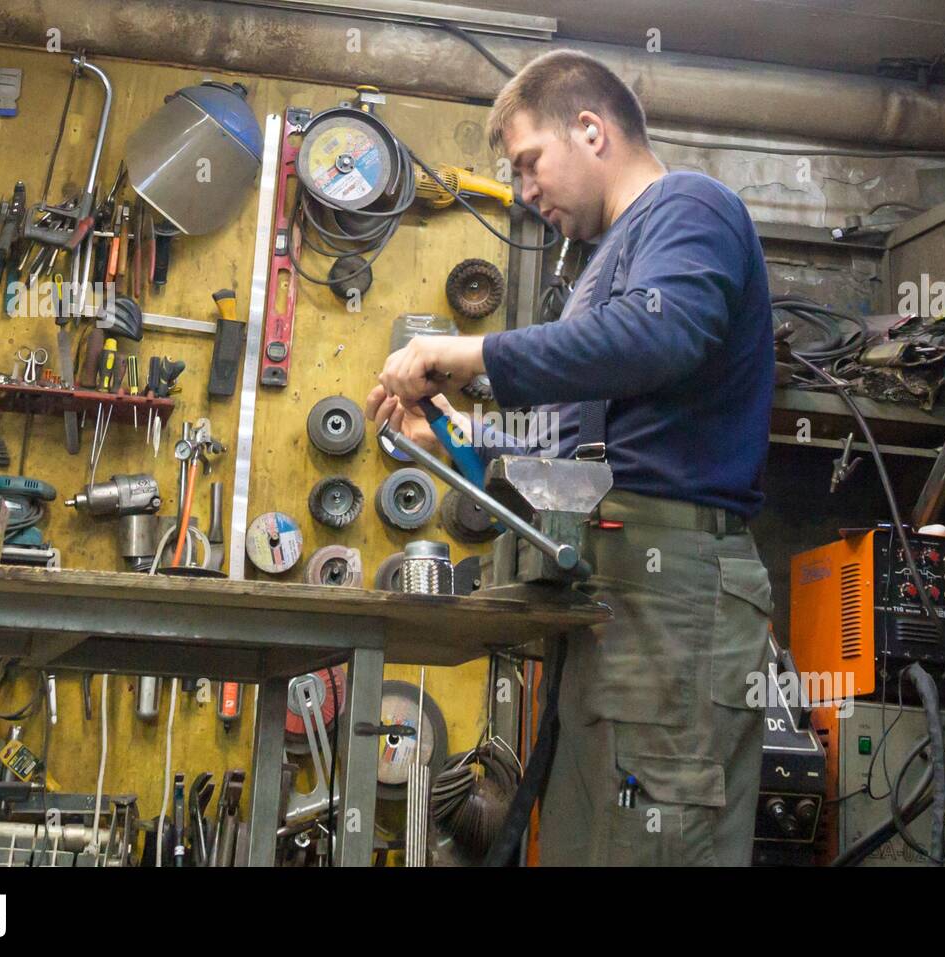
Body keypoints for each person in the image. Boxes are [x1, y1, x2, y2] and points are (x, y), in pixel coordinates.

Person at [365, 49, 775, 866]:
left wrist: (470, 351)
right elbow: (566, 456)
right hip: (614, 600)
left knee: (649, 842)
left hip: (672, 606)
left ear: (590, 129)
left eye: (527, 163)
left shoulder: (690, 208)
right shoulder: (602, 273)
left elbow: (657, 339)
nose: (522, 193)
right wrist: (450, 438)